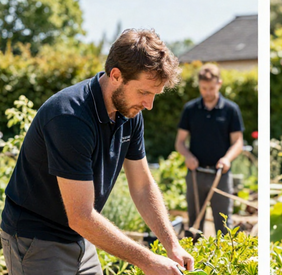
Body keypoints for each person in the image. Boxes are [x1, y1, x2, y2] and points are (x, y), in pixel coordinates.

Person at [0, 29, 193, 275]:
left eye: (154, 95)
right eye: (144, 92)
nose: (149, 105)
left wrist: (172, 245)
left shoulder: (130, 112)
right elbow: (80, 216)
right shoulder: (69, 117)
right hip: (37, 239)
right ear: (116, 75)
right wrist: (146, 260)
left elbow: (143, 186)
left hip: (82, 236)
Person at [176, 63, 244, 236]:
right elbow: (180, 142)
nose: (207, 92)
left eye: (211, 88)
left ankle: (224, 261)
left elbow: (238, 142)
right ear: (199, 85)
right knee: (194, 224)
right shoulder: (190, 109)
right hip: (195, 174)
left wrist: (227, 159)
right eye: (204, 88)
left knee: (223, 224)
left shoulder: (231, 110)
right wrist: (187, 156)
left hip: (220, 174)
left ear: (219, 84)